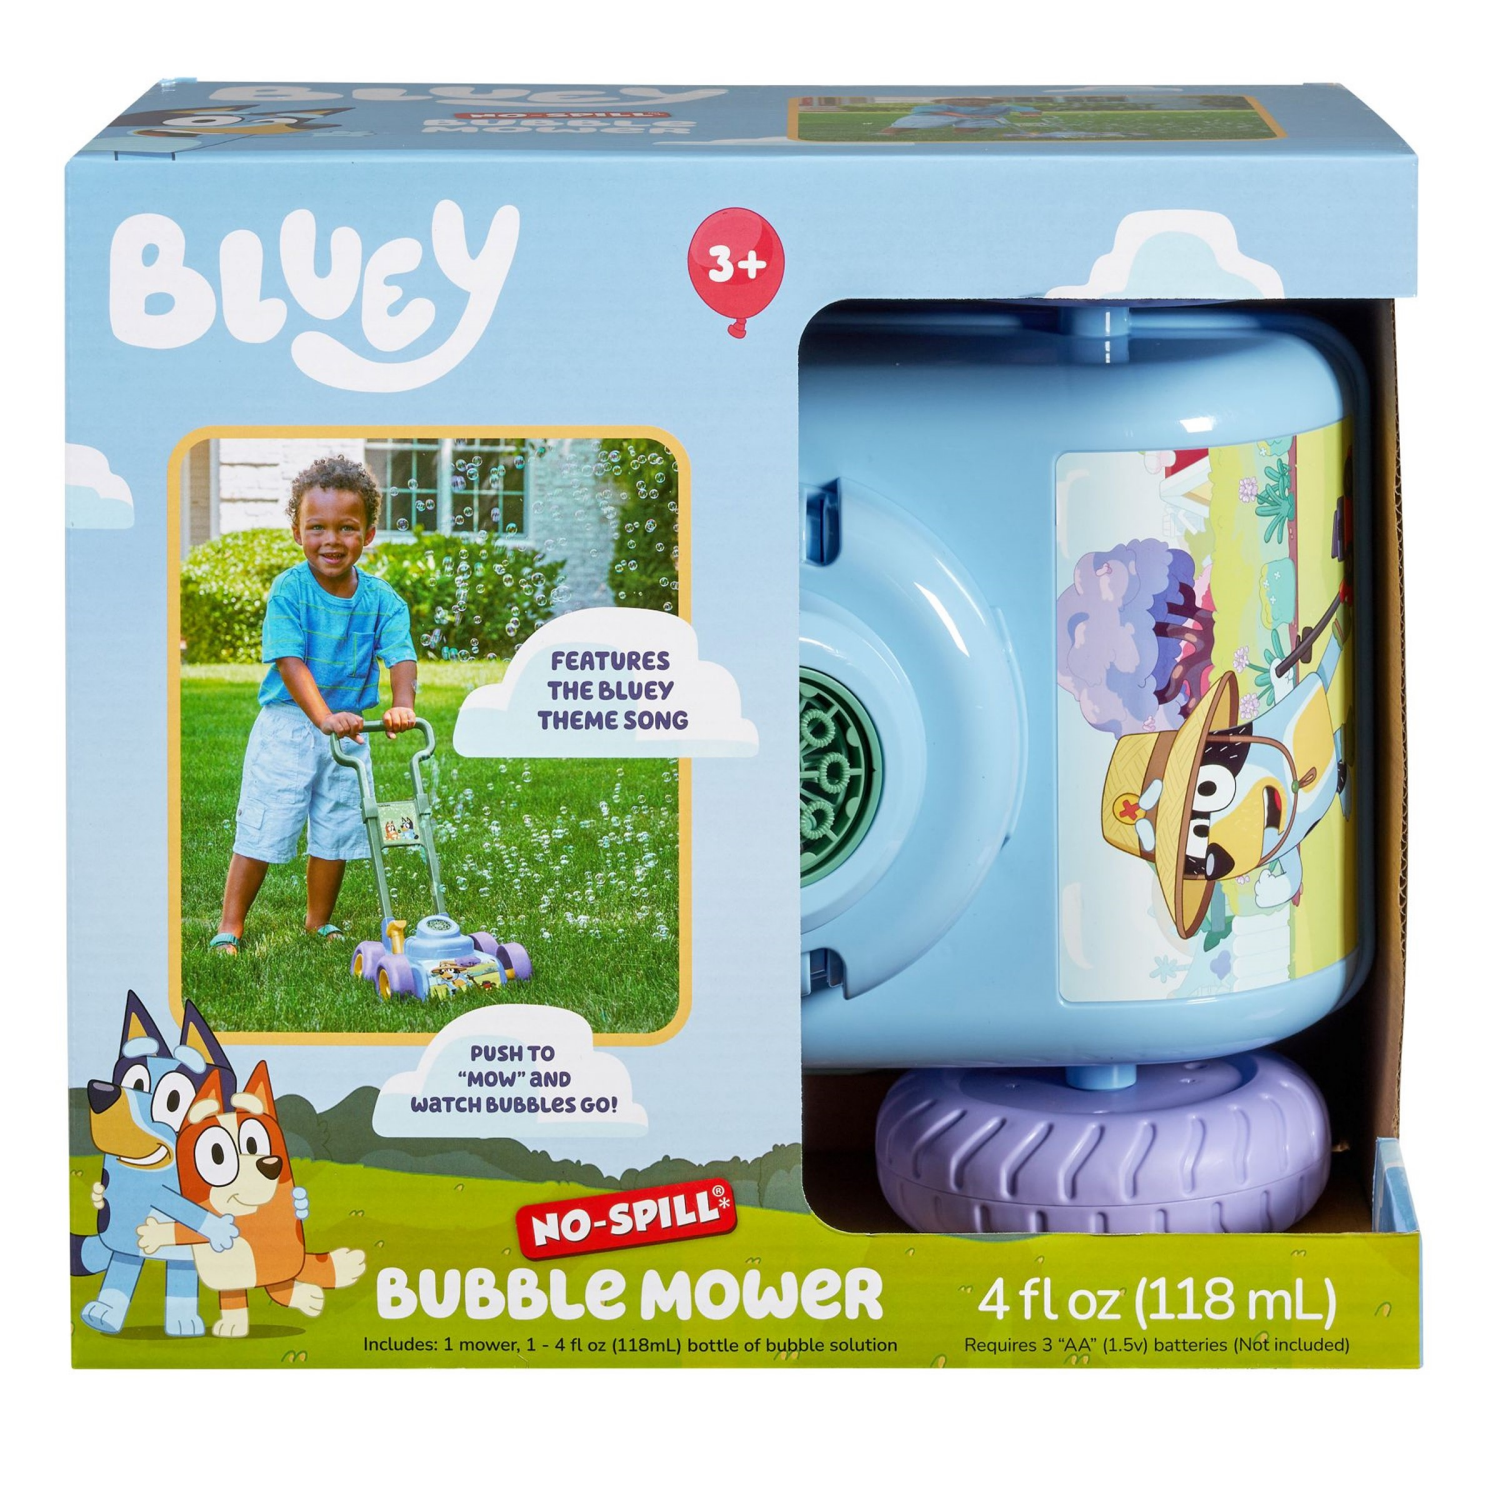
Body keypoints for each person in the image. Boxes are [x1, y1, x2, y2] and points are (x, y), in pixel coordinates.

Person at [211, 455, 417, 955]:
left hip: (350, 733)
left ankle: (318, 921)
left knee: (338, 826)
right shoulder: (290, 590)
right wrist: (323, 717)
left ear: (368, 535)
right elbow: (290, 661)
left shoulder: (383, 599)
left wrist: (402, 703)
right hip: (289, 726)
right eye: (317, 527)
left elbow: (401, 656)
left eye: (347, 528)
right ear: (297, 532)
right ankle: (230, 925)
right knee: (266, 821)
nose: (332, 540)